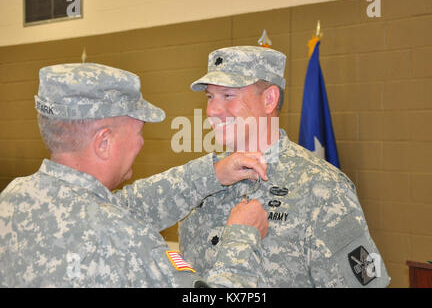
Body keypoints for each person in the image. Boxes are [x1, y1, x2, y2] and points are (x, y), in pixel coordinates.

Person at [0, 63, 270, 288]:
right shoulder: (128, 240)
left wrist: (210, 174)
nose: (141, 143)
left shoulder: (14, 199)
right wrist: (242, 237)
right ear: (103, 142)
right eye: (138, 132)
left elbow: (124, 205)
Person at [178, 46, 391, 287]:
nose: (212, 111)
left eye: (228, 96)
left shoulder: (322, 188)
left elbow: (366, 283)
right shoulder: (201, 181)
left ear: (269, 100)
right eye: (210, 97)